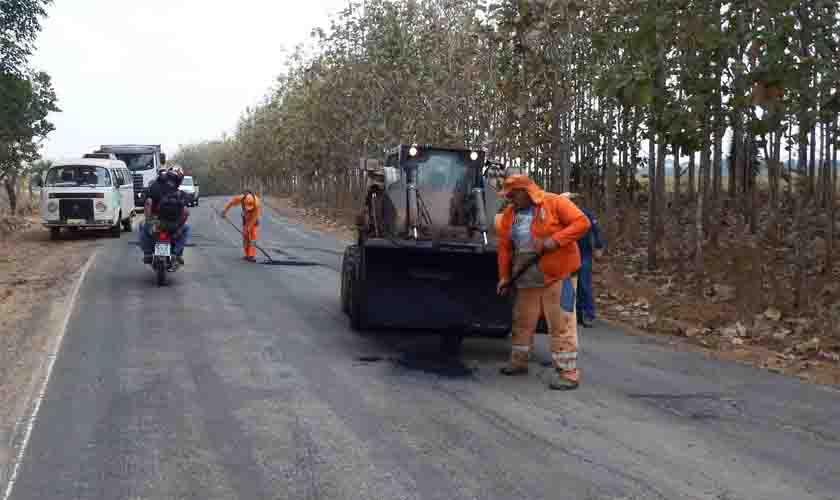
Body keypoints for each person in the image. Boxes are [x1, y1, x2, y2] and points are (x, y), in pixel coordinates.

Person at [496, 174, 591, 390]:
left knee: (560, 323)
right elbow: (504, 248)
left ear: (525, 192)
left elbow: (582, 224)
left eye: (512, 195)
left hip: (558, 274)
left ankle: (568, 373)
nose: (509, 199)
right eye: (507, 195)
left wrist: (554, 241)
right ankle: (518, 362)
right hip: (526, 276)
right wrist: (504, 277)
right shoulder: (509, 215)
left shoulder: (555, 202)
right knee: (522, 321)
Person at [561, 193, 605, 328]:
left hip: (584, 254)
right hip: (566, 255)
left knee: (583, 284)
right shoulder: (560, 216)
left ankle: (588, 315)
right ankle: (574, 315)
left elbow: (596, 230)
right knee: (567, 286)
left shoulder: (585, 214)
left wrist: (598, 246)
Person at [140, 167, 191, 265]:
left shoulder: (155, 187)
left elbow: (147, 202)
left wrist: (149, 221)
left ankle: (147, 253)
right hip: (174, 225)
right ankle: (177, 254)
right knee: (187, 229)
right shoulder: (179, 193)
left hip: (157, 224)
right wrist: (179, 226)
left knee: (142, 226)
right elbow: (186, 212)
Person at [221, 190, 261, 262]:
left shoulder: (257, 204)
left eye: (250, 207)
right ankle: (247, 254)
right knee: (245, 236)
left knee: (253, 236)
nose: (248, 209)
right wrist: (224, 211)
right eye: (247, 207)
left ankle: (252, 255)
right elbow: (231, 203)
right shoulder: (241, 198)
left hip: (253, 218)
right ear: (245, 201)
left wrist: (249, 227)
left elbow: (254, 218)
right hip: (245, 217)